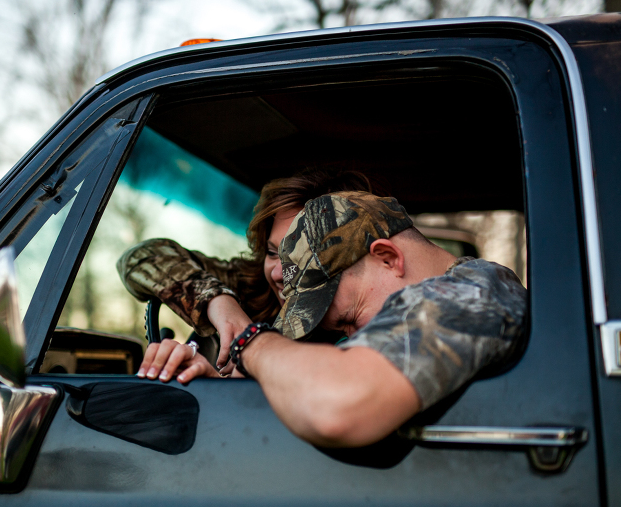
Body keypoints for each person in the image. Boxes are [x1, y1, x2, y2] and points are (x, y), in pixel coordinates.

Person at [138, 191, 527, 448]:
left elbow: (338, 406)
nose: (348, 339)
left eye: (350, 320)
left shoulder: (474, 293)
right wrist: (225, 393)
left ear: (388, 257)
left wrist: (248, 342)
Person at [117, 168, 373, 375]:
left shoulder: (372, 331)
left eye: (300, 256)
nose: (278, 273)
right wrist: (218, 301)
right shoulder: (250, 284)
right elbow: (140, 257)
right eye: (272, 253)